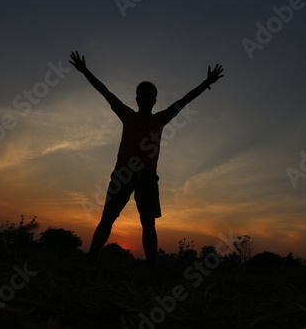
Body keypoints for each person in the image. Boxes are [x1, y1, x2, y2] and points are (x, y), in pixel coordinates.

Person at [69, 51, 224, 262]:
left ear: (155, 99)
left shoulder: (161, 119)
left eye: (149, 95)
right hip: (123, 174)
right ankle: (91, 258)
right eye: (142, 94)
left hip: (148, 177)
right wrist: (85, 70)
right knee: (107, 218)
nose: (145, 98)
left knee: (148, 222)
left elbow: (184, 100)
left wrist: (206, 83)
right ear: (137, 98)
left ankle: (152, 265)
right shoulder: (127, 115)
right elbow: (105, 92)